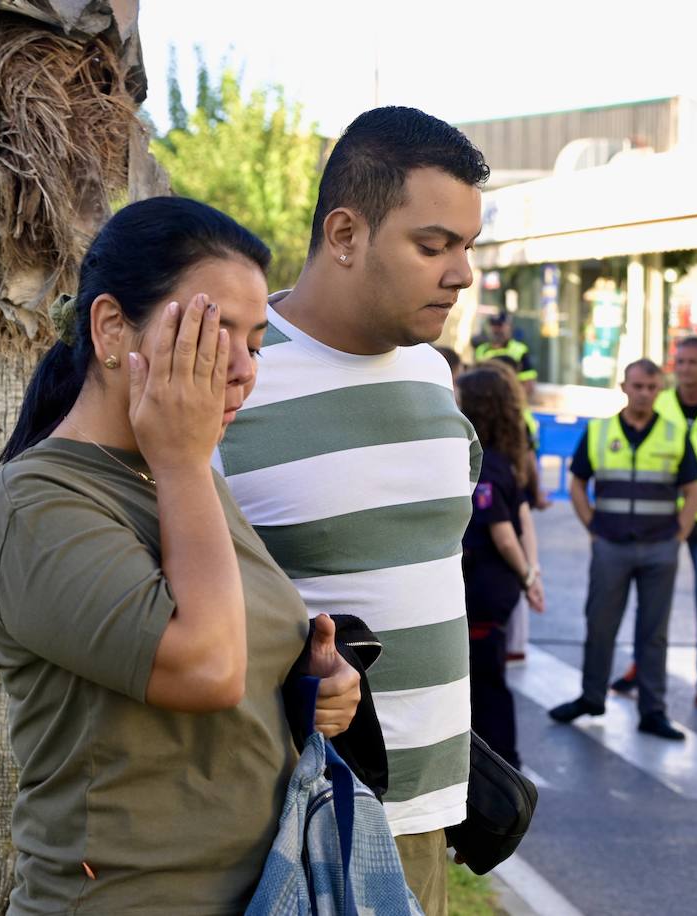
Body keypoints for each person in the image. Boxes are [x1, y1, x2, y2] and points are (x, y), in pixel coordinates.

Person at [0, 197, 361, 914]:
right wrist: (183, 460)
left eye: (256, 342)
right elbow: (206, 669)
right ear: (112, 327)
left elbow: (240, 659)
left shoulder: (185, 481)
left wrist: (312, 682)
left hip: (263, 890)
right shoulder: (37, 504)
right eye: (214, 333)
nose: (244, 370)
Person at [214, 106, 488, 915]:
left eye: (467, 248)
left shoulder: (434, 376)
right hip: (290, 818)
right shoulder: (240, 375)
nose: (461, 273)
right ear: (344, 234)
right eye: (434, 246)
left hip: (427, 816)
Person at [548, 358, 697, 741]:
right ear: (624, 387)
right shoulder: (600, 432)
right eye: (638, 386)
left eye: (651, 387)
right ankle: (591, 697)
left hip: (659, 548)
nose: (644, 393)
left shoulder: (674, 433)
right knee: (600, 625)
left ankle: (653, 711)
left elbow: (693, 490)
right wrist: (593, 527)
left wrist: (678, 535)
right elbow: (578, 482)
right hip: (611, 546)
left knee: (654, 633)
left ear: (659, 390)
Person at [614, 336, 697, 714]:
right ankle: (642, 668)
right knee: (653, 606)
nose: (686, 369)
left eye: (693, 362)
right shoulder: (662, 402)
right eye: (681, 362)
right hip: (661, 522)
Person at [456, 367, 544, 768]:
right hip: (499, 585)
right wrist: (531, 574)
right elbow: (524, 516)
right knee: (489, 677)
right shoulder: (507, 459)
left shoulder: (486, 464)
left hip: (486, 586)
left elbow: (504, 534)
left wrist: (527, 576)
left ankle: (502, 764)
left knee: (485, 682)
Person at [475, 312, 536, 387]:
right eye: (493, 325)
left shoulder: (520, 350)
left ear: (509, 327)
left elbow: (528, 382)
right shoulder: (481, 350)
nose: (496, 329)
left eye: (500, 325)